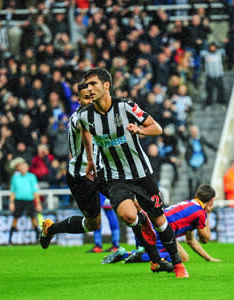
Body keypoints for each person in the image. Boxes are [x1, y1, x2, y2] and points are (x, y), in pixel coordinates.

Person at [39, 83, 166, 272]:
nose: (90, 100)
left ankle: (154, 259)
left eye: (92, 96)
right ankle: (51, 229)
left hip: (104, 172)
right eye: (86, 98)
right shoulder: (79, 119)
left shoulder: (100, 115)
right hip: (82, 176)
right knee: (93, 224)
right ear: (79, 101)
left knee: (134, 208)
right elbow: (91, 136)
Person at [79, 68, 189, 278]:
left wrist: (140, 130)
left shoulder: (125, 106)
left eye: (93, 84)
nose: (89, 89)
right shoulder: (86, 116)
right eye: (87, 85)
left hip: (141, 174)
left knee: (160, 220)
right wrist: (91, 160)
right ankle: (151, 249)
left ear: (106, 85)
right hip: (115, 176)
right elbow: (85, 132)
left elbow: (156, 128)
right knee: (128, 215)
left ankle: (177, 264)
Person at [103, 184, 221, 264]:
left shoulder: (189, 205)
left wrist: (208, 258)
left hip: (148, 226)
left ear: (196, 195)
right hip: (160, 232)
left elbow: (190, 240)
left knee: (181, 255)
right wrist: (208, 214)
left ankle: (129, 253)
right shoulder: (200, 213)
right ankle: (138, 254)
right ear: (211, 201)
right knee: (182, 258)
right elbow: (205, 239)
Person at [8, 157, 42, 244]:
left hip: (29, 201)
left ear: (27, 167)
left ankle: (38, 238)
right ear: (19, 168)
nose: (23, 168)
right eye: (21, 167)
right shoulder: (15, 178)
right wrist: (11, 203)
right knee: (15, 218)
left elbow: (35, 191)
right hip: (18, 201)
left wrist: (38, 203)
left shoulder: (32, 177)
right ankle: (10, 239)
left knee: (33, 218)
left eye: (24, 166)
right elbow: (13, 192)